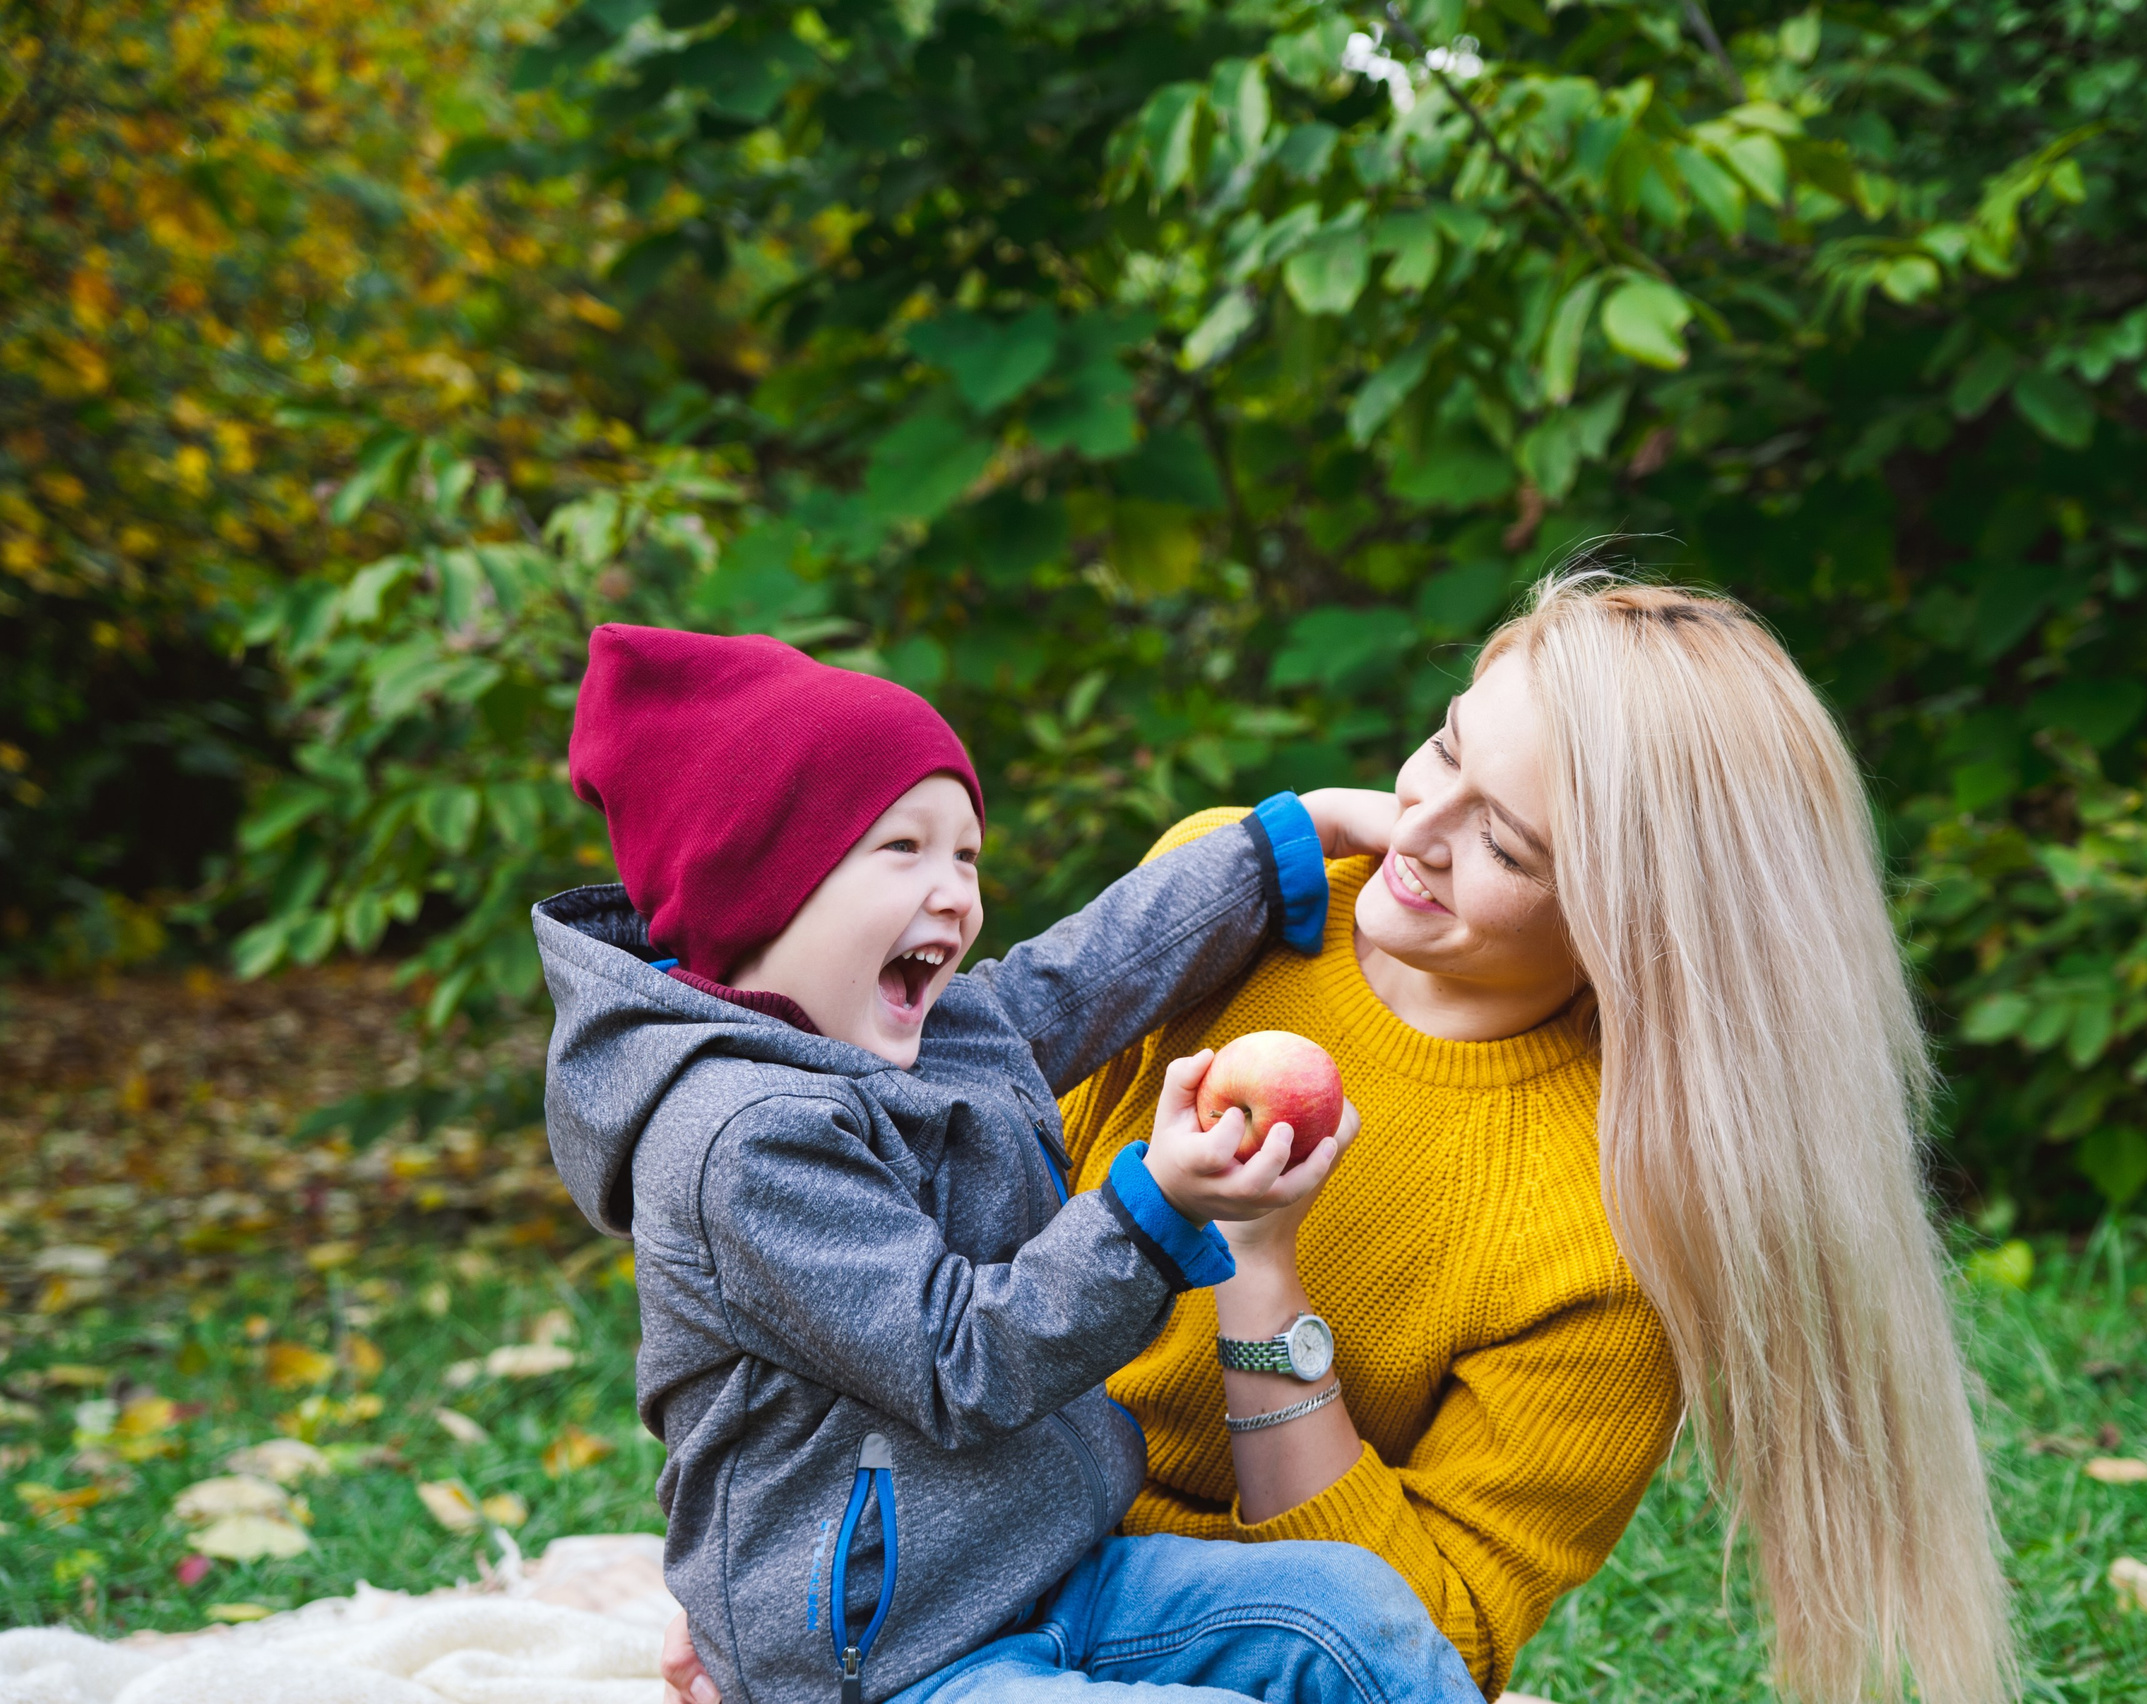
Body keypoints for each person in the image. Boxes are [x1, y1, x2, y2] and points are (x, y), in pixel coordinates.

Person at [667, 574, 2014, 1704]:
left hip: (1184, 1614)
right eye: (1443, 749)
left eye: (1511, 847)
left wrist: (1259, 1265)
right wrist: (775, 1575)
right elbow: (900, 1257)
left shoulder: (1616, 1210)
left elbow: (1434, 1633)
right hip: (962, 1553)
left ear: (1638, 921)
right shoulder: (1230, 901)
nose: (1414, 831)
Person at [538, 624, 1480, 1704]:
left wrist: (1284, 843)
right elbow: (958, 1361)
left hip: (1051, 1572)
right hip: (884, 1651)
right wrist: (1152, 1205)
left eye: (966, 854)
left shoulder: (926, 1034)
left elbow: (1085, 974)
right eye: (903, 850)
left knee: (1344, 1612)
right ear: (760, 884)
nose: (956, 893)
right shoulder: (743, 1141)